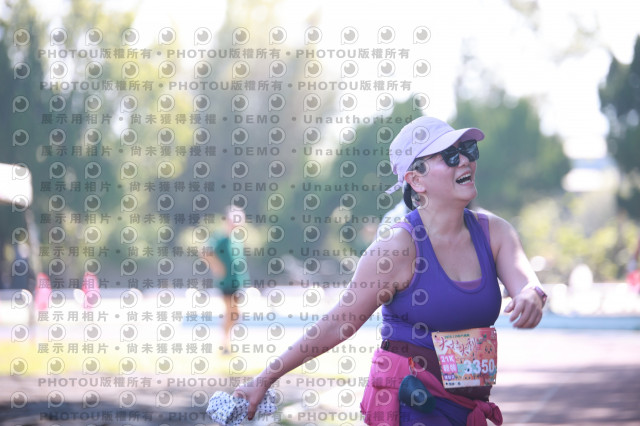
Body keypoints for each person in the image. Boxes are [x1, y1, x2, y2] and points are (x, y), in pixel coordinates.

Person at [232, 116, 546, 425]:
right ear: (416, 180)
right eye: (450, 155)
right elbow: (338, 322)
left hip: (467, 407)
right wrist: (264, 379)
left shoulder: (495, 233)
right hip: (412, 405)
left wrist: (531, 295)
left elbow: (526, 281)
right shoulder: (396, 248)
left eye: (467, 150)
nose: (464, 160)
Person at [203, 205, 249, 353]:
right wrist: (216, 266)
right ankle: (225, 343)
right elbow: (205, 251)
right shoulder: (221, 238)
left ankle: (227, 342)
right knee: (232, 312)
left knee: (234, 314)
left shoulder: (236, 239)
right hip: (226, 283)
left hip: (237, 282)